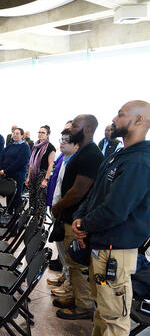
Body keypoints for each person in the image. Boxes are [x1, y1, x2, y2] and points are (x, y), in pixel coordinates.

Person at [69, 100, 150, 336]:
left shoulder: (141, 161)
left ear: (139, 120)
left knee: (116, 312)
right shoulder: (119, 155)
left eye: (121, 114)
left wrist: (85, 225)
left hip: (117, 250)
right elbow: (95, 196)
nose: (115, 118)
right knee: (103, 301)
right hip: (101, 246)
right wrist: (80, 220)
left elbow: (117, 209)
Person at [51, 114, 103, 320]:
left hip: (77, 218)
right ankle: (75, 296)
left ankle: (83, 305)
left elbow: (79, 190)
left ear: (87, 129)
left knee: (78, 263)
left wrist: (59, 206)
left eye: (74, 125)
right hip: (71, 216)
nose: (70, 129)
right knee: (72, 261)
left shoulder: (91, 154)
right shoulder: (83, 151)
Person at [46, 129, 78, 299]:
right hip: (56, 206)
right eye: (62, 139)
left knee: (67, 248)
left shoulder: (74, 162)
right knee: (60, 245)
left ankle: (69, 283)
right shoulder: (63, 158)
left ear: (77, 145)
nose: (62, 142)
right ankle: (64, 275)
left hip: (64, 211)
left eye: (67, 140)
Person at [25, 125, 56, 218]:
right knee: (32, 197)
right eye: (39, 132)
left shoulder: (51, 147)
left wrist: (45, 179)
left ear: (48, 135)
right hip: (33, 174)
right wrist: (28, 177)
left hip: (43, 175)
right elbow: (31, 163)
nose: (40, 134)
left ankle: (40, 224)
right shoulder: (35, 146)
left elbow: (51, 164)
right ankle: (32, 220)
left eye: (43, 132)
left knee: (40, 200)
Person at [0, 127, 31, 214]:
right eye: (14, 133)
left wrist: (6, 170)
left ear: (22, 136)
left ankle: (16, 216)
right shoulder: (10, 145)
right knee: (8, 195)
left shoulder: (25, 147)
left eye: (17, 133)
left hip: (18, 175)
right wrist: (1, 168)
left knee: (16, 196)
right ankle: (9, 213)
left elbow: (20, 161)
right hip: (7, 174)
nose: (15, 135)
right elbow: (2, 157)